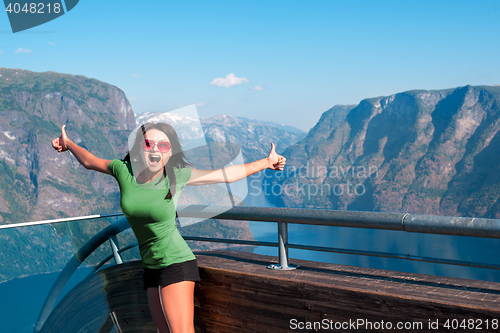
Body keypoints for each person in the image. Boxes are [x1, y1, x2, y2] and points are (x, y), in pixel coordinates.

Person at [51, 122, 286, 333]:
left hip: (175, 262)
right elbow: (89, 161)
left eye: (163, 145)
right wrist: (68, 143)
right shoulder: (123, 170)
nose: (154, 149)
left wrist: (266, 162)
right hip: (150, 266)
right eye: (148, 143)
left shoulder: (175, 175)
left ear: (170, 151)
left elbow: (224, 175)